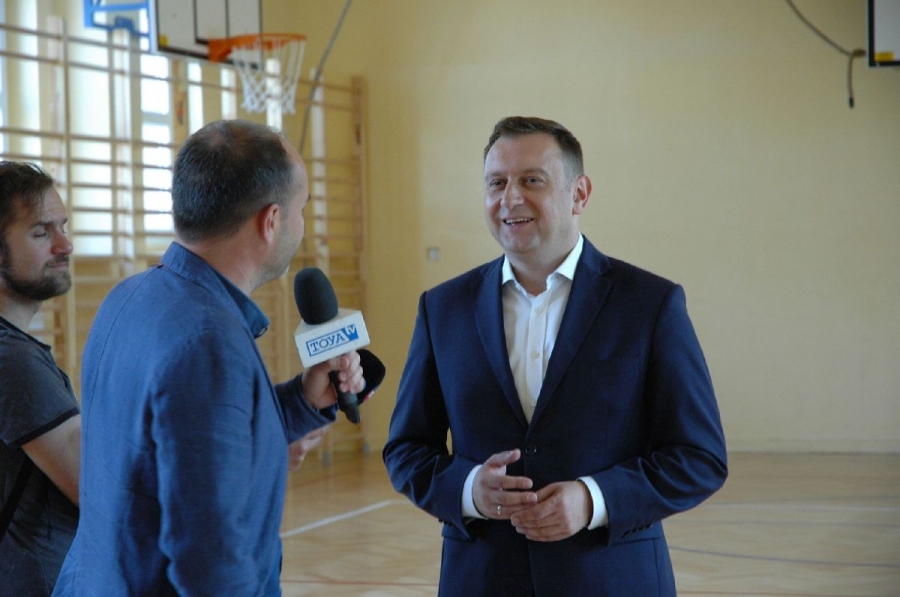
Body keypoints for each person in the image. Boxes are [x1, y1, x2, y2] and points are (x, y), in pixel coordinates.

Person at [383, 116, 728, 596]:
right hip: (482, 580)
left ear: (579, 194)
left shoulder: (649, 304)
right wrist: (468, 491)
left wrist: (593, 500)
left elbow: (699, 457)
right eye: (496, 183)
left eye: (532, 181)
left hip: (611, 580)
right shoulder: (443, 309)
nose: (510, 198)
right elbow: (406, 450)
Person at [54, 120, 370, 596]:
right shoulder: (207, 344)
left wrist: (303, 402)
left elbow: (181, 448)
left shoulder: (129, 296)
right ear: (271, 221)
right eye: (302, 209)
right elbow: (211, 559)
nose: (302, 225)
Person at [0, 161, 80, 596]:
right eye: (40, 233)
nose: (64, 245)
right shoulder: (13, 361)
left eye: (62, 227)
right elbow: (97, 486)